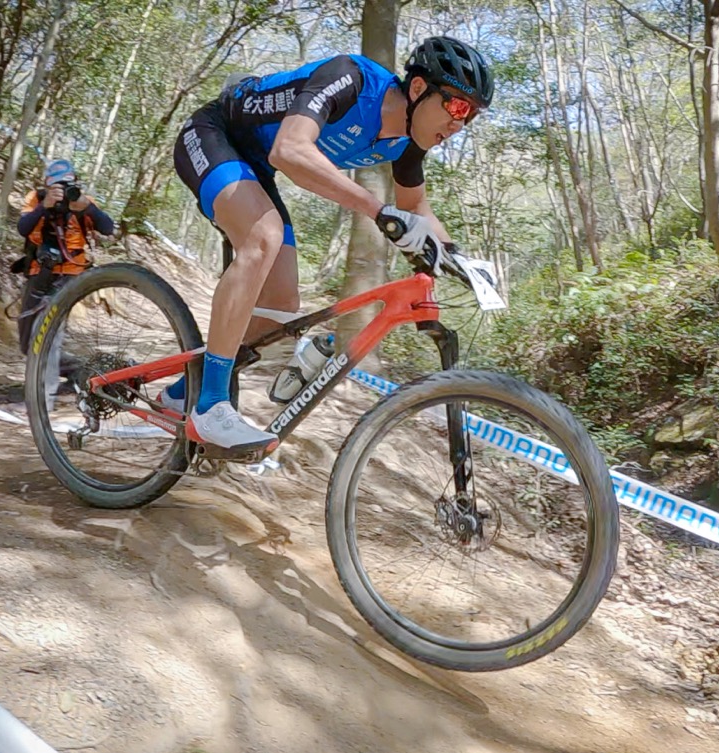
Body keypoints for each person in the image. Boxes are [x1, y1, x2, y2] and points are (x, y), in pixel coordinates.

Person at [166, 36, 494, 455]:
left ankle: (181, 391)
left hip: (256, 166)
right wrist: (377, 210)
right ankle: (209, 407)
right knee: (262, 237)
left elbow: (415, 206)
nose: (459, 124)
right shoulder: (351, 79)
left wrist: (461, 259)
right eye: (458, 106)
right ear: (417, 89)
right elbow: (290, 149)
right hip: (213, 134)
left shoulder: (408, 142)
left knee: (281, 306)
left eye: (471, 117)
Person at [16, 159, 115, 356]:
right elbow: (23, 228)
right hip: (39, 269)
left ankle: (53, 379)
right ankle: (71, 371)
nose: (62, 192)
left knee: (49, 332)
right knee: (27, 341)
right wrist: (45, 205)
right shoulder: (37, 199)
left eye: (66, 185)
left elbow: (108, 228)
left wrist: (88, 208)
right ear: (47, 185)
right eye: (57, 186)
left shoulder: (82, 201)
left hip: (71, 272)